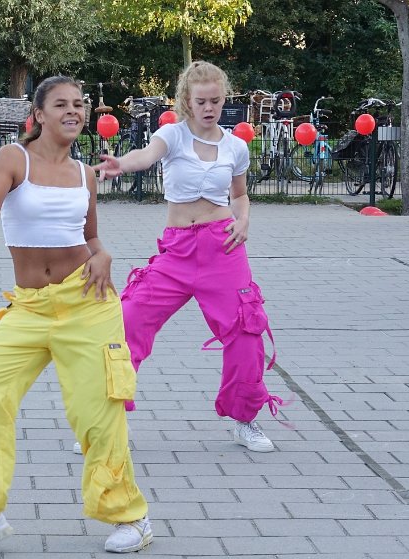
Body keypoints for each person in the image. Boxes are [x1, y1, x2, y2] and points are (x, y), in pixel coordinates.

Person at [0, 76, 152, 557]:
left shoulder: (86, 173)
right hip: (31, 306)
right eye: (61, 104)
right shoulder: (13, 158)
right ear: (37, 114)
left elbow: (91, 237)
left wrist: (104, 255)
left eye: (79, 104)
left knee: (98, 412)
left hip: (88, 304)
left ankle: (130, 517)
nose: (73, 111)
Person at [93, 61, 284, 453]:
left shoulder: (236, 146)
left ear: (223, 99)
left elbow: (240, 194)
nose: (209, 107)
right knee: (127, 319)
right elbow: (145, 156)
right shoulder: (173, 136)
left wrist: (244, 220)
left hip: (224, 250)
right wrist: (119, 165)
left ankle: (245, 419)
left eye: (215, 100)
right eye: (201, 101)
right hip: (177, 251)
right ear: (187, 101)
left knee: (247, 332)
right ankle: (104, 422)